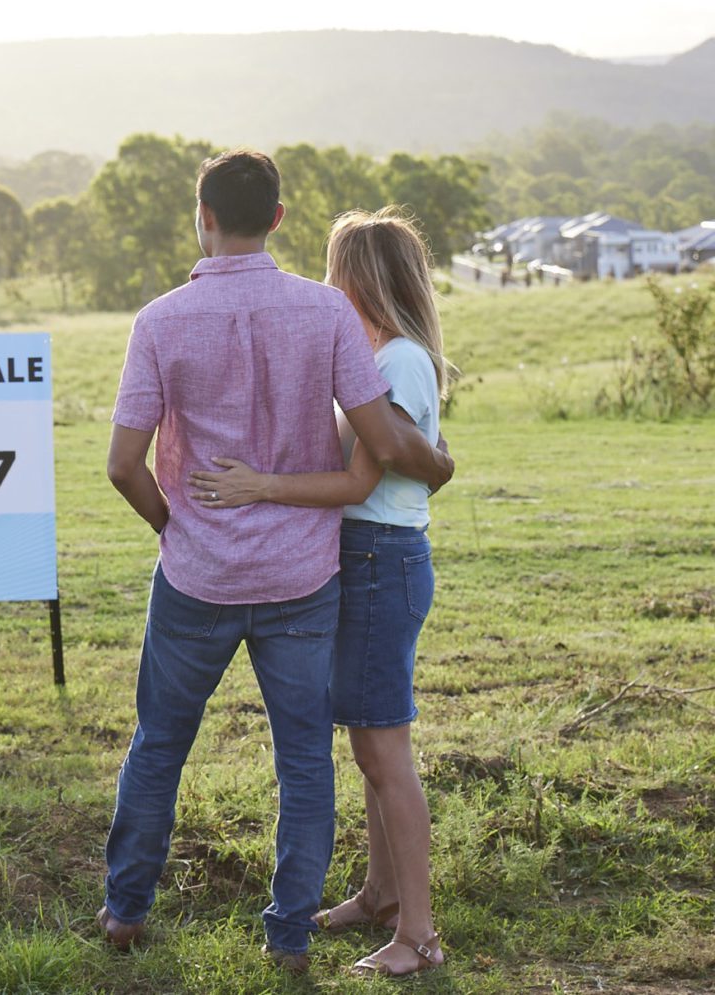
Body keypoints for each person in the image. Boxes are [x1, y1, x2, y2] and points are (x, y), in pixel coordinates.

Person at [101, 152, 453, 972]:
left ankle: (125, 911)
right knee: (303, 760)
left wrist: (175, 525)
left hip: (198, 577)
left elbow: (123, 464)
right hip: (303, 576)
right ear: (282, 218)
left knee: (158, 745)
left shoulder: (158, 320)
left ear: (204, 213)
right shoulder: (327, 312)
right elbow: (379, 439)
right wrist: (437, 462)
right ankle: (289, 934)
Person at [188, 207, 449, 978]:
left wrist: (257, 485)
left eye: (337, 269)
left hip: (378, 557)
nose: (328, 285)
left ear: (360, 278)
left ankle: (421, 934)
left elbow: (360, 477)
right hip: (368, 556)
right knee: (370, 741)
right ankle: (379, 893)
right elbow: (405, 457)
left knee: (382, 747)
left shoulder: (397, 362)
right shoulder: (387, 358)